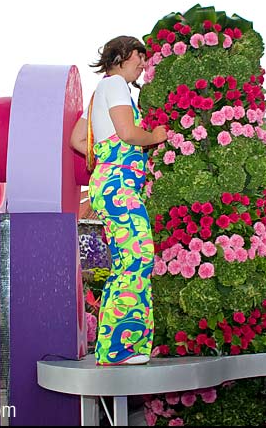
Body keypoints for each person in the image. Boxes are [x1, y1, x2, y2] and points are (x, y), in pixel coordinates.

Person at [70, 35, 168, 366]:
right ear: (122, 56)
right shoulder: (115, 86)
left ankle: (114, 345)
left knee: (128, 260)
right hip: (119, 184)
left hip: (109, 182)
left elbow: (75, 139)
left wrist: (103, 157)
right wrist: (153, 137)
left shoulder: (101, 91)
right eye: (140, 57)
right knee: (138, 257)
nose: (143, 64)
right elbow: (127, 133)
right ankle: (120, 348)